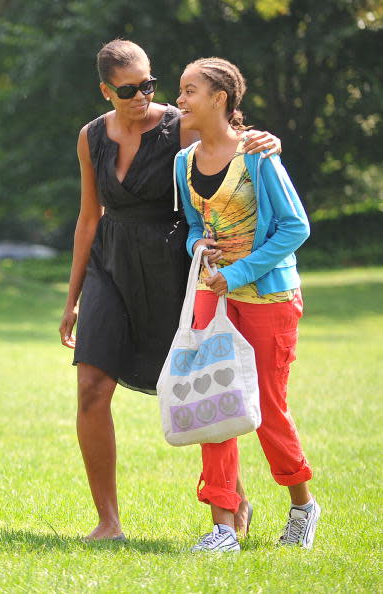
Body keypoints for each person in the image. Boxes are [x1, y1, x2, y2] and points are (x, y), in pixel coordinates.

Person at [59, 39, 282, 541]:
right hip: (109, 266)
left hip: (170, 267)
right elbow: (88, 216)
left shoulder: (178, 125)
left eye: (149, 84)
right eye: (129, 89)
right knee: (92, 387)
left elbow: (231, 139)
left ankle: (233, 499)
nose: (143, 96)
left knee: (202, 382)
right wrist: (72, 300)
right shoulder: (90, 137)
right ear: (105, 91)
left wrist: (268, 141)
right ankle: (108, 523)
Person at [175, 57, 320, 553]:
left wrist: (234, 274)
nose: (180, 100)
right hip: (212, 299)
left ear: (220, 97)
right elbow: (195, 227)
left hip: (270, 296)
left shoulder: (258, 154)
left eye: (190, 90)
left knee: (268, 410)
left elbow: (295, 227)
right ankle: (222, 528)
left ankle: (303, 505)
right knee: (213, 403)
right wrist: (198, 248)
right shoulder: (183, 161)